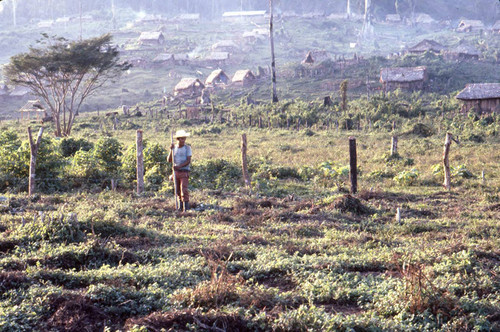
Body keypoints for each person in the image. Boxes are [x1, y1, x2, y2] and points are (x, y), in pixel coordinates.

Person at [168, 130, 192, 212]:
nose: (183, 140)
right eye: (181, 139)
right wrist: (171, 151)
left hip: (184, 171)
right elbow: (169, 160)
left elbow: (188, 161)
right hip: (176, 172)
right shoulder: (174, 148)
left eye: (184, 139)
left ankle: (186, 208)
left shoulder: (187, 148)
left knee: (183, 189)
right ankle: (180, 207)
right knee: (177, 190)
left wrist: (179, 166)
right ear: (177, 139)